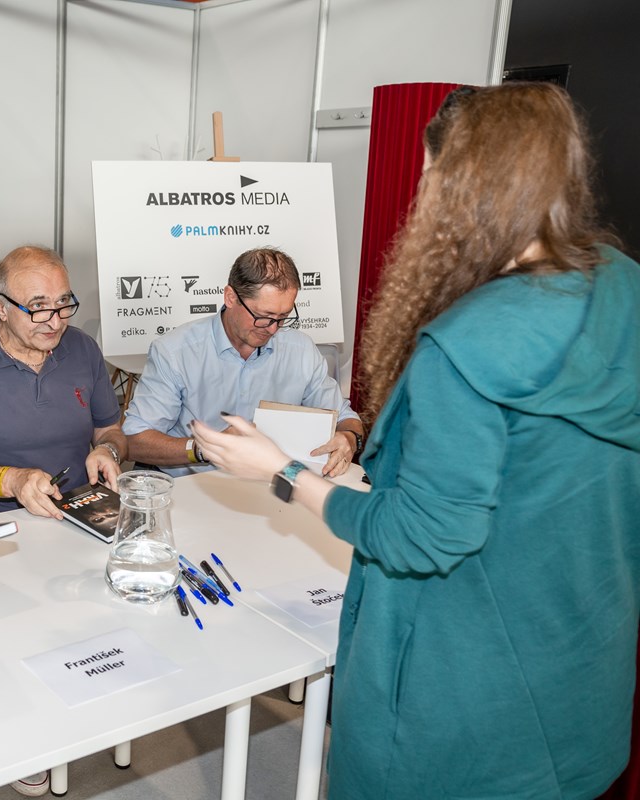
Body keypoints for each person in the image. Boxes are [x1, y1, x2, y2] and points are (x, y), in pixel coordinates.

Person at [192, 83, 640, 799]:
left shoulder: (470, 344)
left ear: (464, 188)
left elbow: (423, 534)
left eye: (431, 179)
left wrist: (281, 471)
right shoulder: (624, 289)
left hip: (459, 695)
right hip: (579, 675)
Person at [0, 244, 126, 797]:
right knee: (4, 634)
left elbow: (110, 428)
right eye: (37, 307)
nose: (53, 321)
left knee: (112, 601)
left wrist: (107, 450)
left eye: (63, 305)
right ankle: (23, 733)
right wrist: (10, 481)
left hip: (70, 516)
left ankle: (85, 705)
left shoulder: (82, 350)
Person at [123, 247, 364, 478]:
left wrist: (349, 438)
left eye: (283, 317)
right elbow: (134, 441)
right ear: (230, 297)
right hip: (195, 486)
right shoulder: (176, 352)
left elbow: (346, 418)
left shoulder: (301, 351)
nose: (272, 329)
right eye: (263, 316)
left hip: (272, 486)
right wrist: (205, 448)